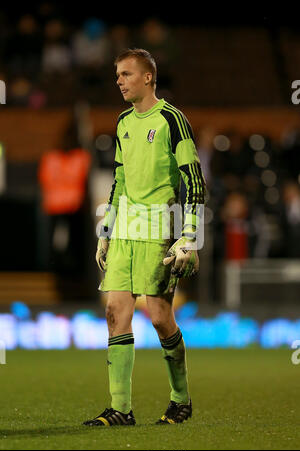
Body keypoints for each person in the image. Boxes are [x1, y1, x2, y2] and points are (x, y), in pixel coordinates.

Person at [83, 48, 206, 427]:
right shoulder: (122, 122)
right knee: (114, 312)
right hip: (125, 230)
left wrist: (188, 237)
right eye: (117, 75)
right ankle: (121, 409)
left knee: (159, 316)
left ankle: (180, 399)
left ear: (148, 78)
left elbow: (193, 179)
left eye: (126, 74)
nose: (119, 81)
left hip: (159, 227)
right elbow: (119, 180)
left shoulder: (172, 119)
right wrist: (107, 228)